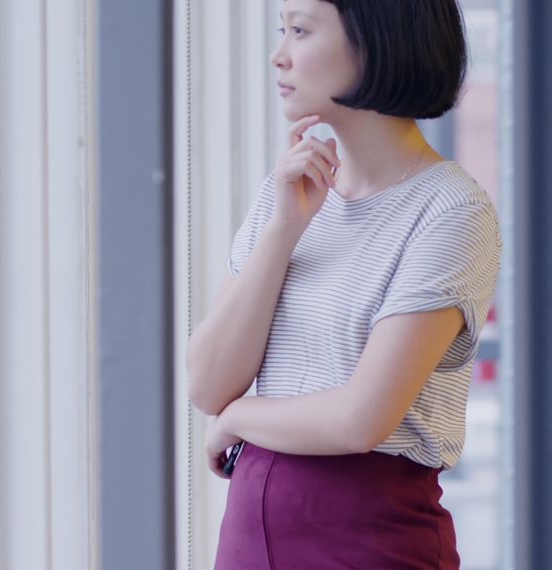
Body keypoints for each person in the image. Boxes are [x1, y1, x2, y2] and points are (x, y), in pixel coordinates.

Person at [185, 0, 501, 567]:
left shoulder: (451, 211)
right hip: (250, 537)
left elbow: (361, 419)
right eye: (280, 31)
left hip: (371, 541)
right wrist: (284, 229)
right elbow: (208, 383)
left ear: (374, 38)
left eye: (300, 31)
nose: (278, 56)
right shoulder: (286, 195)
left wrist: (237, 419)